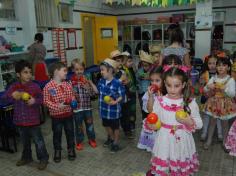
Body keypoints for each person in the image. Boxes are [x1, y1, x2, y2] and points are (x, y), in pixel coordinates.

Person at [147, 67, 203, 176]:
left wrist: (188, 121)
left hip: (182, 140)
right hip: (164, 140)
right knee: (165, 166)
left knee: (179, 165)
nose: (172, 89)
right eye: (169, 85)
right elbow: (154, 116)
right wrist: (152, 124)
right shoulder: (161, 101)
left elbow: (199, 124)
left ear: (183, 84)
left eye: (176, 86)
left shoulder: (189, 102)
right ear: (164, 83)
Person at [3, 60, 49, 170]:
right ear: (18, 74)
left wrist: (34, 101)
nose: (29, 75)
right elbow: (4, 98)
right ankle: (27, 157)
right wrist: (12, 95)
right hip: (20, 121)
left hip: (33, 121)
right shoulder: (14, 87)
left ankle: (43, 158)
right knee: (25, 142)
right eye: (25, 72)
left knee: (39, 141)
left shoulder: (35, 86)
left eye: (30, 72)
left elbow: (42, 99)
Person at [43, 62, 76, 163]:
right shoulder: (48, 87)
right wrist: (58, 106)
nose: (66, 73)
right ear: (56, 71)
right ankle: (57, 150)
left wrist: (73, 100)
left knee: (70, 132)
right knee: (57, 134)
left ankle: (71, 149)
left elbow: (72, 95)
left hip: (68, 115)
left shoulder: (67, 84)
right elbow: (45, 101)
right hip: (56, 116)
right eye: (64, 71)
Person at [203, 57, 236, 150]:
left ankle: (225, 141)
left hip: (225, 105)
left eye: (224, 65)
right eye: (219, 65)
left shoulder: (230, 80)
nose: (221, 67)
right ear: (216, 68)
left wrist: (224, 89)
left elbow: (233, 94)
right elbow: (205, 89)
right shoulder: (213, 78)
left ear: (228, 68)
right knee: (212, 122)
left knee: (225, 124)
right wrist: (208, 86)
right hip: (213, 103)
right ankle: (209, 140)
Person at [98, 58, 125, 153]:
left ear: (110, 71)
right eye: (100, 70)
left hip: (113, 110)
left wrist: (115, 101)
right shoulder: (101, 81)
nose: (101, 72)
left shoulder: (117, 83)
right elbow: (98, 92)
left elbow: (122, 95)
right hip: (104, 109)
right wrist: (90, 84)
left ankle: (115, 142)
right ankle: (112, 138)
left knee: (115, 127)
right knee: (106, 125)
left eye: (102, 70)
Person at [70, 59, 98, 150]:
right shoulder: (70, 82)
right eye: (77, 69)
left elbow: (93, 95)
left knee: (90, 125)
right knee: (79, 127)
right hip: (77, 109)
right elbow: (69, 95)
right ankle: (79, 141)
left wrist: (88, 88)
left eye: (81, 69)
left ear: (84, 69)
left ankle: (92, 139)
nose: (79, 71)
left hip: (87, 108)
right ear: (73, 70)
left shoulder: (86, 80)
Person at [137, 66, 163, 152]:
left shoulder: (168, 94)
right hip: (154, 122)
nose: (154, 83)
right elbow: (150, 110)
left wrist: (161, 98)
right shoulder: (148, 94)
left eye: (157, 80)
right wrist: (151, 96)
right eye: (152, 80)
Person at [199, 55, 223, 141]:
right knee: (206, 116)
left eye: (214, 63)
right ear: (207, 64)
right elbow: (201, 87)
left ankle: (220, 133)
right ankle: (204, 132)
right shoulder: (204, 74)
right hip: (206, 98)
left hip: (218, 99)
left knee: (219, 116)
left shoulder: (221, 75)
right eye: (210, 63)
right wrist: (202, 84)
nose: (212, 65)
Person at [137, 50, 154, 120]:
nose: (144, 67)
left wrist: (150, 77)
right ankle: (144, 119)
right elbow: (137, 79)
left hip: (150, 93)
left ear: (150, 65)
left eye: (146, 66)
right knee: (143, 107)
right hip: (141, 92)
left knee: (150, 107)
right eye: (143, 65)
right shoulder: (139, 71)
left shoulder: (153, 71)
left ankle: (150, 118)